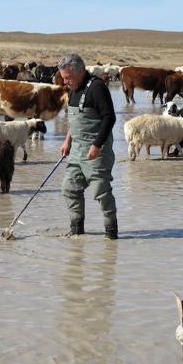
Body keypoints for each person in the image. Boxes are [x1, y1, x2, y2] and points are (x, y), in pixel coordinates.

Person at [58, 54, 118, 240]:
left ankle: (111, 233)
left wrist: (97, 145)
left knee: (100, 190)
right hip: (76, 150)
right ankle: (77, 231)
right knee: (69, 188)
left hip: (96, 150)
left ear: (80, 71)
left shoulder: (97, 88)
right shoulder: (73, 90)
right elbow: (75, 120)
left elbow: (110, 117)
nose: (66, 82)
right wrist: (67, 140)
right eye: (63, 78)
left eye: (68, 77)